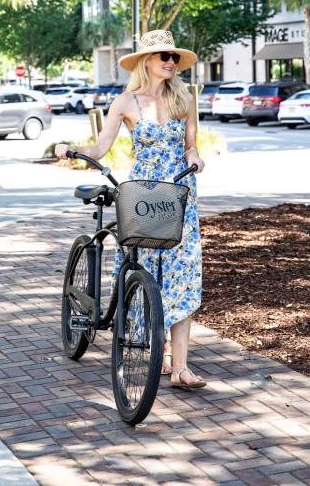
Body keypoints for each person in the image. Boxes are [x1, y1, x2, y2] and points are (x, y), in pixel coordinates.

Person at [55, 29, 206, 390]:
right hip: (141, 194)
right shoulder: (125, 103)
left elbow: (190, 146)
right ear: (146, 62)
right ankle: (160, 352)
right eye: (163, 57)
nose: (170, 62)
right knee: (145, 268)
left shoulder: (185, 99)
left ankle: (182, 367)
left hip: (180, 193)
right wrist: (70, 149)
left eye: (173, 57)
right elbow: (102, 146)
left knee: (181, 275)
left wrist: (196, 157)